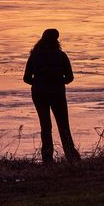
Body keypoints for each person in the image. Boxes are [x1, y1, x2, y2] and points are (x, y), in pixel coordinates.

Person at [22, 28, 81, 163]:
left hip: (39, 93)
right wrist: (59, 81)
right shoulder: (61, 55)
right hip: (57, 92)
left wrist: (37, 83)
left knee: (45, 126)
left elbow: (26, 78)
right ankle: (72, 157)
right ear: (56, 40)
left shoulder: (35, 56)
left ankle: (47, 159)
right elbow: (70, 77)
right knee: (63, 125)